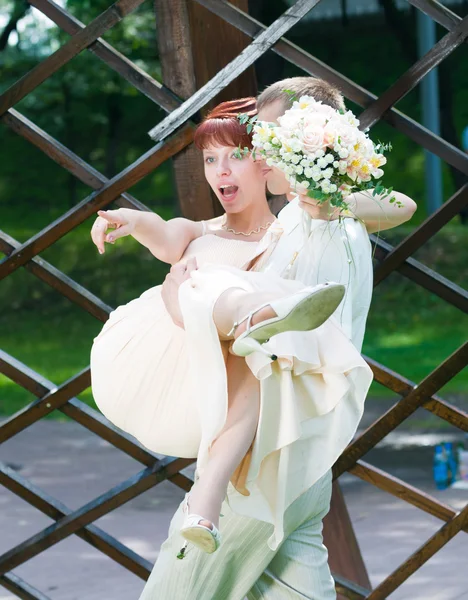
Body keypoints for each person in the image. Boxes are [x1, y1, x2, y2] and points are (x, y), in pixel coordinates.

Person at [135, 78, 416, 600]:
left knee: (179, 591)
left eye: (269, 138)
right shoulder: (303, 218)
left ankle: (207, 500)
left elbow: (399, 204)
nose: (262, 154)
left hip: (265, 460)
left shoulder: (323, 217)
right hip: (310, 459)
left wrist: (180, 301)